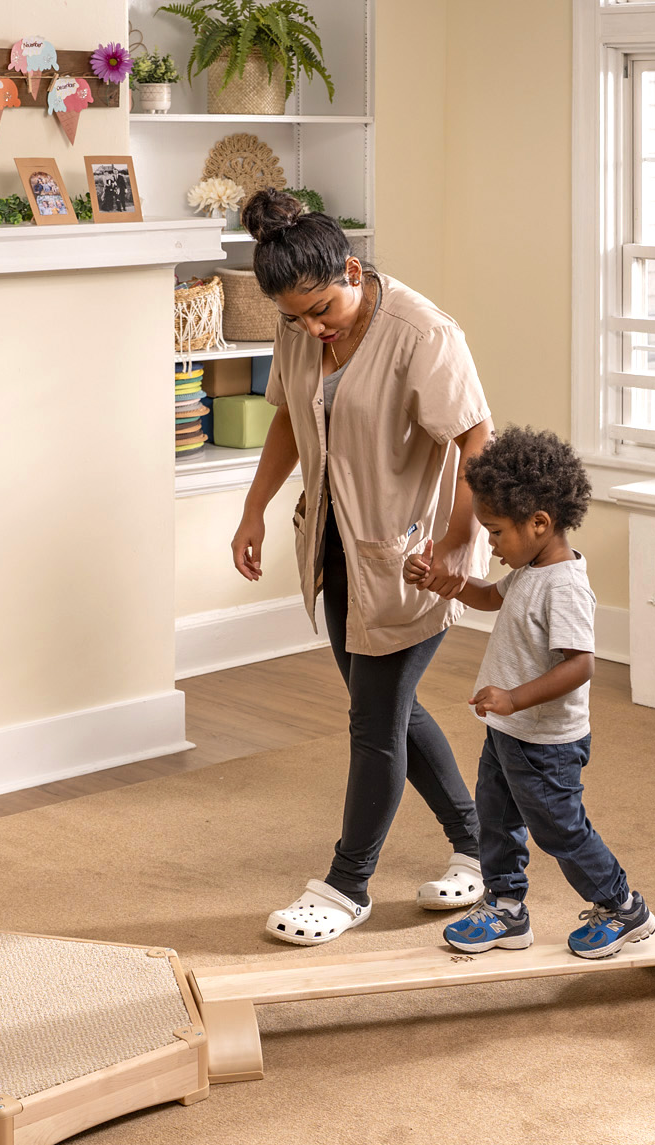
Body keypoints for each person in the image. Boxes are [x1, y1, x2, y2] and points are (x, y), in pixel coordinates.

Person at [231, 188, 493, 945]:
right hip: (337, 547)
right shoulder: (299, 324)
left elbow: (478, 440)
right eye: (294, 318)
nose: (312, 328)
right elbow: (288, 415)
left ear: (351, 269)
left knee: (374, 722)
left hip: (412, 558)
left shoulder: (423, 332)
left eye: (322, 311)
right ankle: (480, 847)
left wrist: (453, 540)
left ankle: (348, 886)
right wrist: (253, 508)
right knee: (394, 711)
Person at [404, 427, 655, 959]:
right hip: (508, 734)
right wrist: (436, 579)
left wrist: (515, 698)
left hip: (546, 743)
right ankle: (506, 909)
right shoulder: (528, 569)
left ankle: (623, 907)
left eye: (495, 532)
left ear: (539, 522)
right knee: (494, 820)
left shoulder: (563, 584)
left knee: (560, 831)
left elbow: (581, 665)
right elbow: (488, 598)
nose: (491, 544)